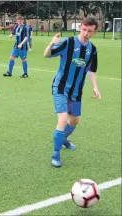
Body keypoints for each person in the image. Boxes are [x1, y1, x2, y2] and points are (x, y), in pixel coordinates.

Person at [43, 17, 101, 168]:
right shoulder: (68, 42)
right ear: (80, 27)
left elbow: (92, 71)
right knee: (62, 119)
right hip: (61, 86)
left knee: (74, 120)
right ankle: (56, 155)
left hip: (77, 90)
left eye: (90, 31)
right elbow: (47, 55)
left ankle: (63, 139)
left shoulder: (92, 50)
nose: (86, 33)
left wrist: (95, 87)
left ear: (94, 32)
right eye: (84, 29)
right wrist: (51, 43)